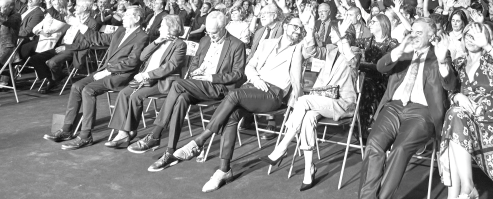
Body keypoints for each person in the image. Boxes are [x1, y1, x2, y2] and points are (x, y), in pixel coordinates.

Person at [170, 16, 305, 192]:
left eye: (300, 29)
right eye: (295, 26)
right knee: (232, 116)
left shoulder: (299, 48)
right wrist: (256, 78)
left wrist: (298, 103)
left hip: (273, 94)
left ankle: (200, 140)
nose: (297, 30)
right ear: (285, 25)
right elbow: (249, 67)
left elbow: (300, 71)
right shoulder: (267, 43)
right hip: (252, 87)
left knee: (233, 95)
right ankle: (223, 170)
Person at [128, 12, 246, 168]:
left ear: (223, 27)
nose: (211, 36)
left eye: (214, 33)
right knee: (181, 98)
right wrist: (196, 71)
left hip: (218, 87)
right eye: (208, 32)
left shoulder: (236, 44)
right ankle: (170, 152)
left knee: (177, 84)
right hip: (198, 84)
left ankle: (155, 134)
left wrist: (212, 77)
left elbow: (238, 74)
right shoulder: (204, 40)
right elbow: (195, 63)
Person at [358, 18, 458, 199]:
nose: (414, 35)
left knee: (400, 149)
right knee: (373, 145)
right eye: (412, 31)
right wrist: (399, 50)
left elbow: (450, 85)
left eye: (419, 32)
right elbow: (381, 67)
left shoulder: (440, 54)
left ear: (432, 35)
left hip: (422, 112)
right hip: (393, 107)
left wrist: (443, 62)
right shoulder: (403, 52)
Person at [264, 29, 360, 191]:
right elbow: (310, 51)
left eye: (335, 34)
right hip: (322, 100)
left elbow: (353, 63)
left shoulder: (354, 52)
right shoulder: (331, 50)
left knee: (302, 100)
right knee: (308, 117)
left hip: (342, 103)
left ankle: (282, 147)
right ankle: (309, 169)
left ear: (344, 37)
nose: (330, 35)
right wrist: (309, 29)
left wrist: (342, 40)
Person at [43, 6, 149, 149]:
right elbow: (98, 38)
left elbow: (132, 62)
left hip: (122, 75)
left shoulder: (142, 36)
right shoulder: (121, 30)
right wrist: (79, 25)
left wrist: (108, 71)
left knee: (88, 90)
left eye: (127, 15)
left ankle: (85, 136)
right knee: (76, 87)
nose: (123, 17)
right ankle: (67, 129)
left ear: (137, 18)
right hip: (107, 71)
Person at [439, 22, 493, 199]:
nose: (470, 39)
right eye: (467, 35)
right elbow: (449, 89)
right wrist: (456, 96)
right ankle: (467, 187)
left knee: (454, 121)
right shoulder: (459, 62)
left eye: (476, 35)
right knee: (454, 113)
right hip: (465, 120)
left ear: (486, 37)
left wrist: (487, 46)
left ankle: (458, 193)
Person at [105, 15, 187, 148]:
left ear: (171, 27)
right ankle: (122, 132)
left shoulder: (180, 44)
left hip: (163, 81)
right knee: (124, 93)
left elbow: (170, 67)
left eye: (163, 25)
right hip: (147, 79)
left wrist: (146, 75)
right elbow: (142, 56)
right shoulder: (159, 41)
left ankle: (128, 132)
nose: (160, 28)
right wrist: (157, 42)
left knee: (136, 96)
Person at [357, 13, 399, 131]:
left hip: (383, 80)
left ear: (382, 24)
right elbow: (350, 42)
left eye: (373, 22)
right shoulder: (366, 41)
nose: (369, 24)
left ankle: (372, 124)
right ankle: (362, 125)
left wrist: (362, 65)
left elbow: (386, 65)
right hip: (365, 79)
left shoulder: (392, 43)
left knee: (367, 86)